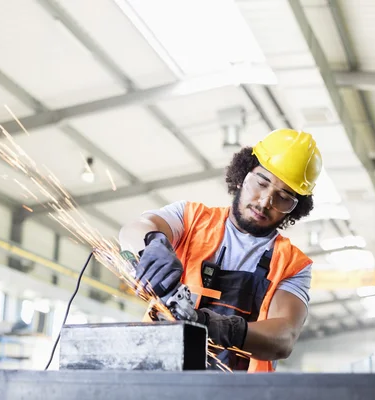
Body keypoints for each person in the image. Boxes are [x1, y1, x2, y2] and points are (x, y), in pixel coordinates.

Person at [118, 128, 322, 373]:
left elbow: (283, 338)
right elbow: (132, 230)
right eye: (261, 183)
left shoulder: (293, 265)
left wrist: (213, 325)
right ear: (242, 175)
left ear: (295, 208)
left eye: (283, 197)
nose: (265, 201)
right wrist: (152, 242)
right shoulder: (190, 218)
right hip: (157, 379)